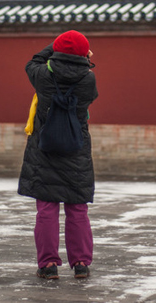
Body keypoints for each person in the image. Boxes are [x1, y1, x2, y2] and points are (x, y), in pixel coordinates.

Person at [18, 30, 98, 280]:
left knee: (46, 209)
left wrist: (54, 46)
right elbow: (89, 99)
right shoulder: (88, 78)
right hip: (76, 149)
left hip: (45, 148)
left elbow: (32, 61)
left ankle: (48, 265)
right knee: (77, 208)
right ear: (84, 53)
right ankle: (81, 263)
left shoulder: (42, 76)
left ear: (58, 50)